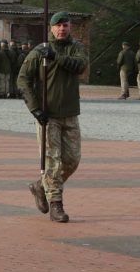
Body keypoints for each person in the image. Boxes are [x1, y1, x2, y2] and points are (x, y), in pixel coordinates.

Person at [17, 11, 88, 223]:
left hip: (70, 113)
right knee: (52, 161)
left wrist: (56, 57)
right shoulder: (40, 51)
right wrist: (35, 109)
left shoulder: (77, 48)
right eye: (57, 26)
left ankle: (41, 185)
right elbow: (23, 79)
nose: (61, 29)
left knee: (72, 160)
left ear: (70, 27)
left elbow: (80, 66)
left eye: (65, 25)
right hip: (48, 116)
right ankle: (56, 204)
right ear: (51, 28)